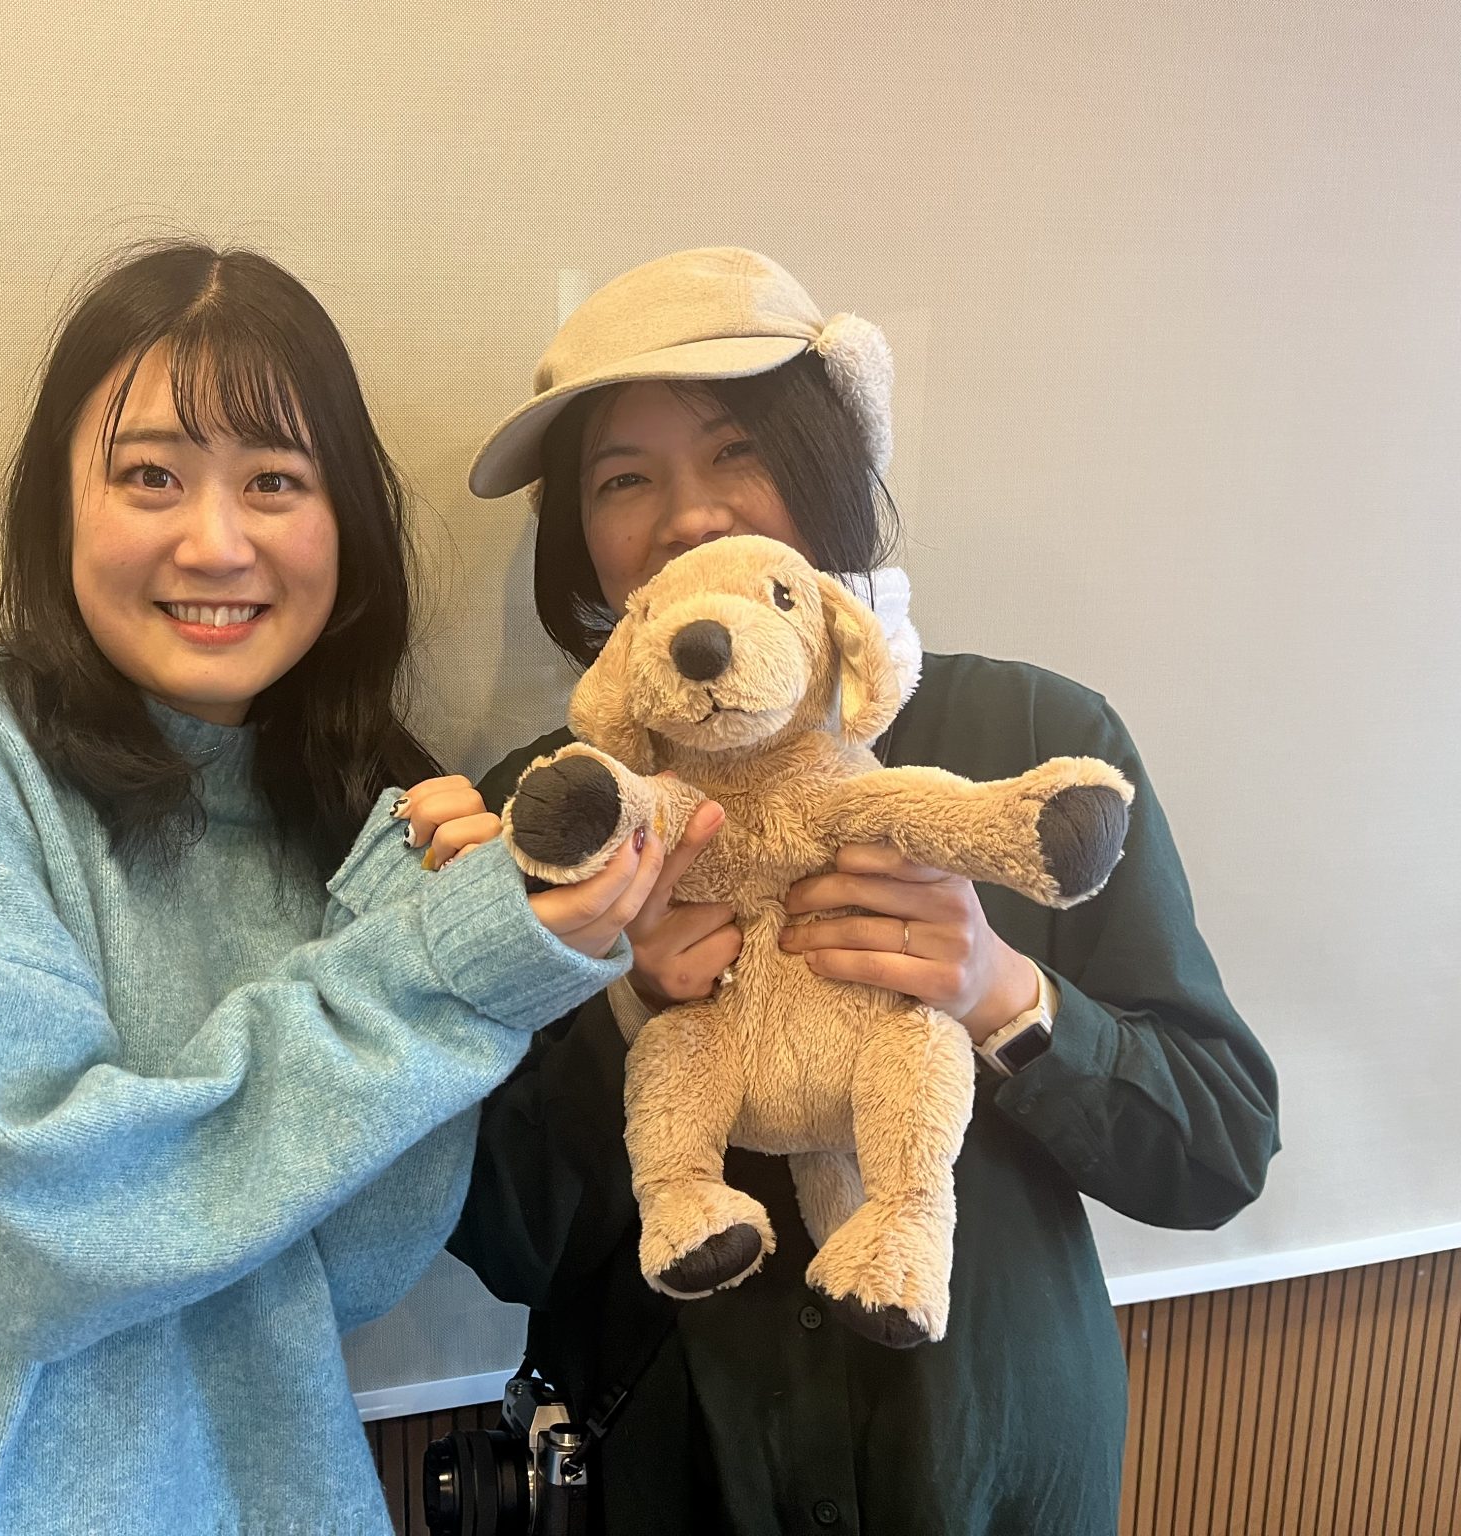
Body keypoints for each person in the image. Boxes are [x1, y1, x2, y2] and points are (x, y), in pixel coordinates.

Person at [0, 242, 668, 1536]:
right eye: (151, 477)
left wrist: (416, 934)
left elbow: (349, 1275)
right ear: (59, 509)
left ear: (345, 526)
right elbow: (38, 1230)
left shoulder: (357, 825)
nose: (216, 543)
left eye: (275, 481)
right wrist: (430, 976)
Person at [448, 246, 1281, 1535]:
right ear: (581, 539)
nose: (690, 516)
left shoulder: (1036, 744)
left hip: (993, 1481)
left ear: (832, 463)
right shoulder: (551, 812)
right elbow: (503, 1235)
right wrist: (620, 1000)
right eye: (624, 478)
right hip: (670, 1482)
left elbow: (1216, 1153)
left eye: (737, 449)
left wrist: (1002, 994)